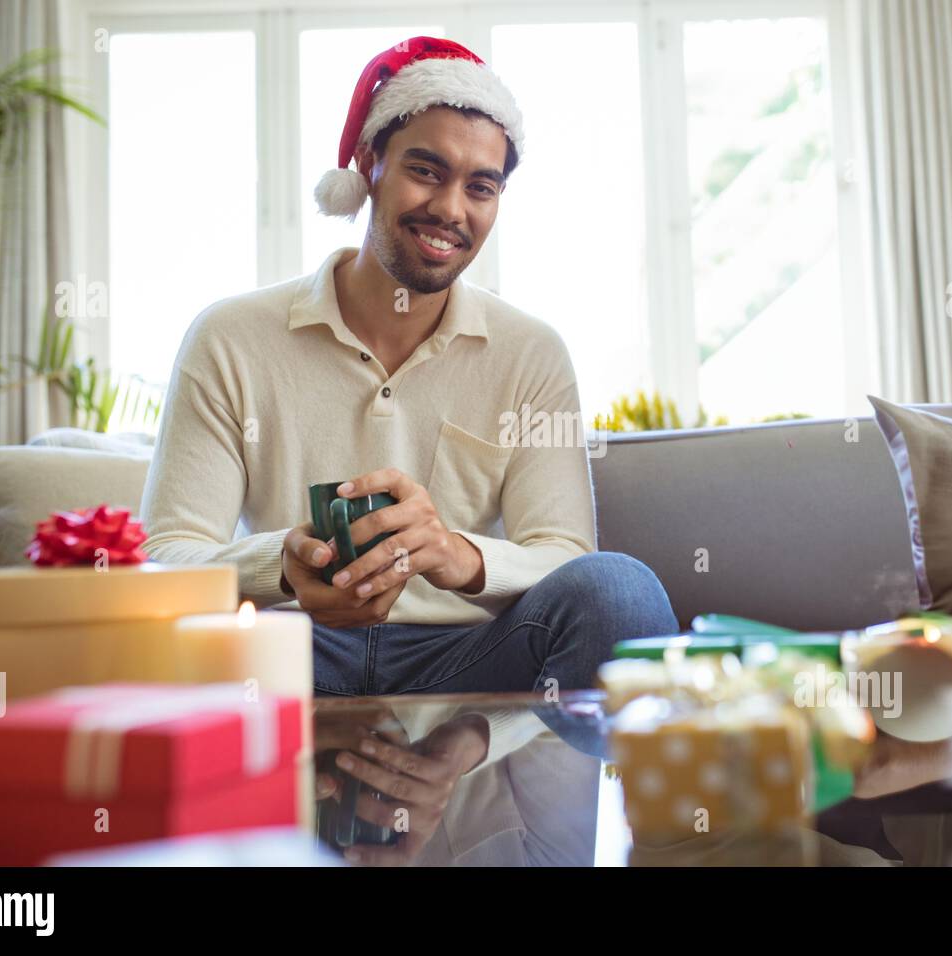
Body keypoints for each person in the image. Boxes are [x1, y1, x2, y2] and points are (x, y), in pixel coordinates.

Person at [140, 36, 678, 710]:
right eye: (427, 170)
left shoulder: (530, 352)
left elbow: (564, 555)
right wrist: (279, 564)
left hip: (469, 660)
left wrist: (461, 557)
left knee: (618, 591)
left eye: (481, 187)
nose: (452, 210)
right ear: (369, 164)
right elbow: (164, 556)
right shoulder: (231, 336)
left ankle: (505, 780)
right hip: (288, 657)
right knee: (150, 635)